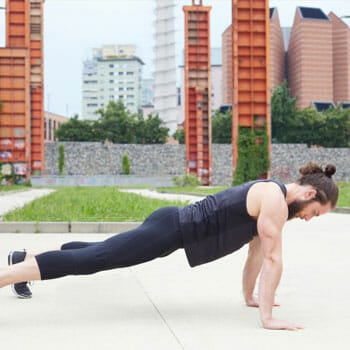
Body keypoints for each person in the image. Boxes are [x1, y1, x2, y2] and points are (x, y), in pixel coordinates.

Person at [2, 162, 338, 331]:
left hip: (170, 228)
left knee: (98, 250)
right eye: (316, 212)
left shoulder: (273, 197)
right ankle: (8, 273)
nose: (310, 218)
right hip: (170, 230)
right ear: (310, 194)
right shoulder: (275, 200)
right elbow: (273, 258)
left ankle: (24, 260)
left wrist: (250, 298)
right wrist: (267, 318)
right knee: (93, 259)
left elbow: (256, 254)